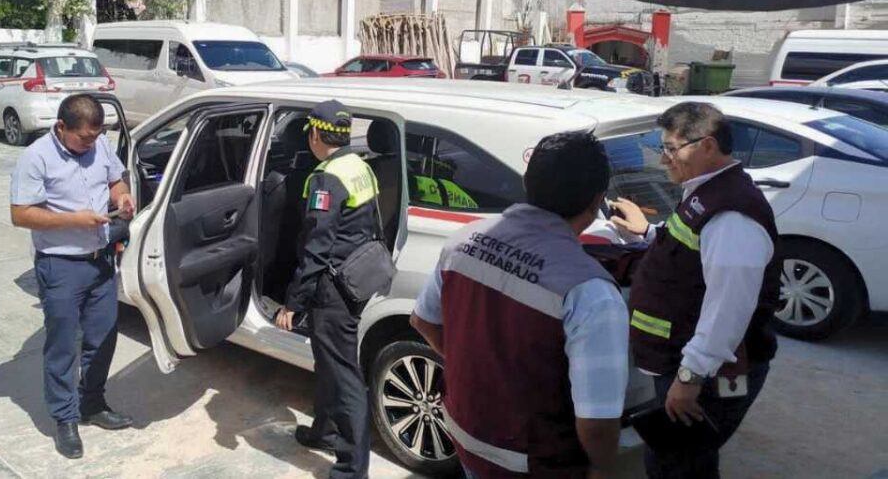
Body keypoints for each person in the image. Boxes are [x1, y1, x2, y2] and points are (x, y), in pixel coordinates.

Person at [410, 131, 630, 479]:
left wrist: (475, 370)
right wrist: (602, 467)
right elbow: (597, 420)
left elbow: (423, 320)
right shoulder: (590, 291)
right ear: (596, 201)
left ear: (528, 181)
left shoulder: (463, 240)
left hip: (466, 433)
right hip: (534, 461)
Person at [611, 101, 780, 479]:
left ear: (707, 145)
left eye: (671, 149)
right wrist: (647, 233)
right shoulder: (706, 192)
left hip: (704, 374)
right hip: (678, 361)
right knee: (683, 459)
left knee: (677, 463)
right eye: (663, 148)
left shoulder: (733, 216)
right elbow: (692, 251)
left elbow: (728, 310)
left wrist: (690, 378)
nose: (663, 160)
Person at [10, 94, 136, 459]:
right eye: (84, 138)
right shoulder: (36, 157)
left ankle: (92, 404)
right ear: (61, 128)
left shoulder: (99, 146)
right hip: (61, 265)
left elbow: (116, 180)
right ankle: (64, 419)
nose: (91, 144)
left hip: (100, 262)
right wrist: (73, 219)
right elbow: (21, 214)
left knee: (103, 337)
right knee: (63, 345)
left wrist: (123, 197)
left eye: (96, 138)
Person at [275, 100, 379, 479]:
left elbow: (317, 247)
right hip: (355, 278)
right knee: (329, 363)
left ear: (316, 134)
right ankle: (325, 431)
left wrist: (293, 302)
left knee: (344, 375)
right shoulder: (360, 167)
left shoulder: (326, 178)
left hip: (332, 287)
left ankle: (353, 469)